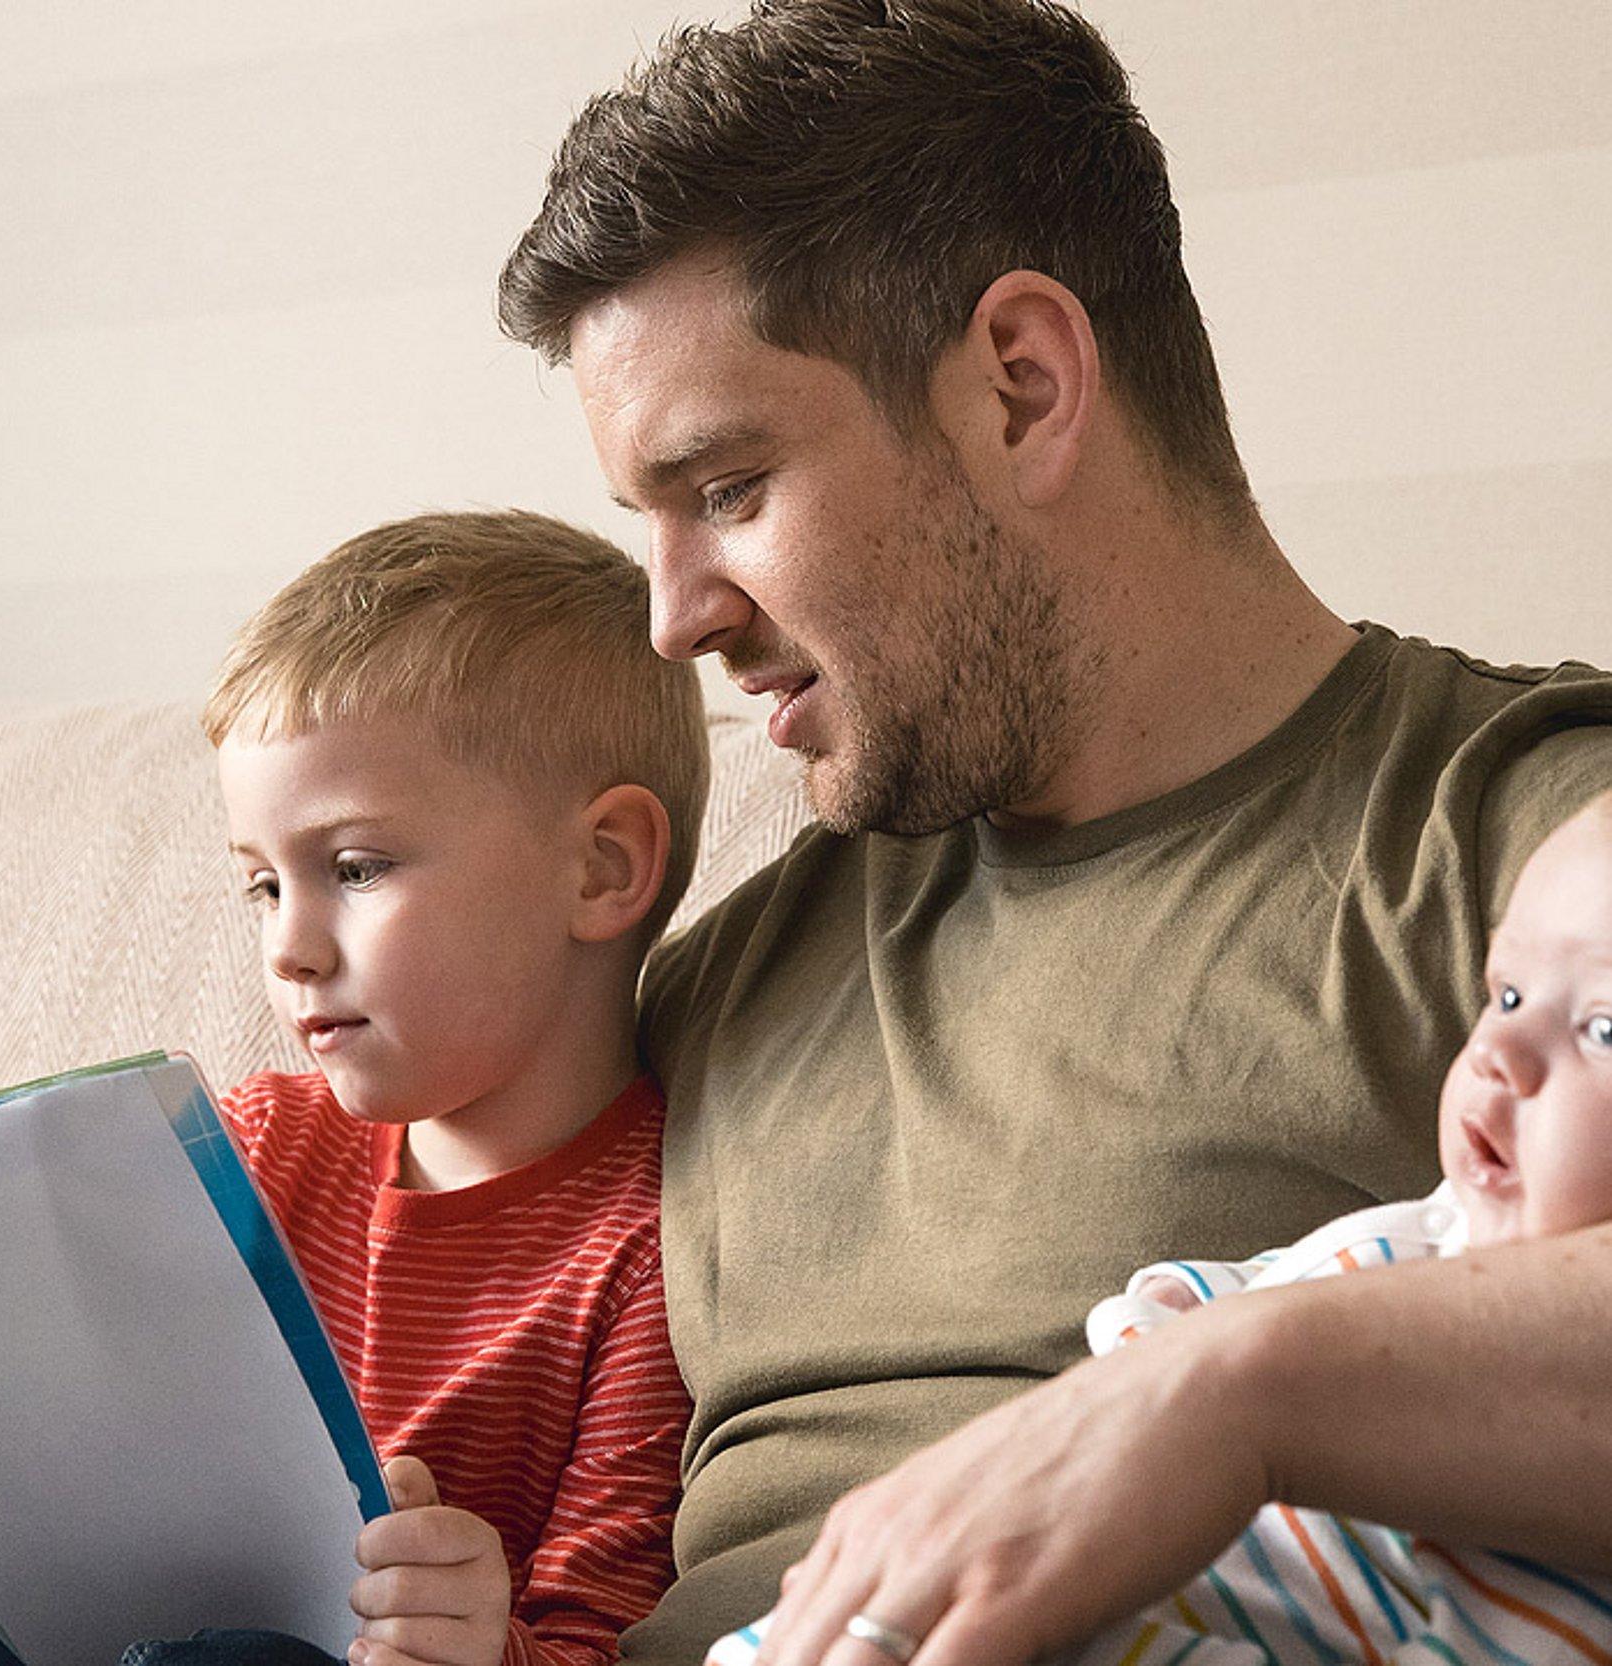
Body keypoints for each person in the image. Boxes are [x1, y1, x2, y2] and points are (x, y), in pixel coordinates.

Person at [493, 2, 1612, 1663]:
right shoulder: (706, 973)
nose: (672, 618)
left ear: (1018, 389)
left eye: (725, 487)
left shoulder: (1517, 832)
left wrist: (1227, 1385)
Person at [708, 790, 1612, 1664]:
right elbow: (1178, 1315)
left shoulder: (1511, 789)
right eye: (1504, 995)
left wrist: (1217, 1391)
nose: (1497, 1054)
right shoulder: (731, 956)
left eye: (1605, 1030)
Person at [121, 511, 709, 1666]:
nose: (288, 946)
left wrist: (485, 1647)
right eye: (261, 887)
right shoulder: (242, 1149)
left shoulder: (658, 1250)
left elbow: (604, 1640)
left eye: (354, 868)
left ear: (600, 869)